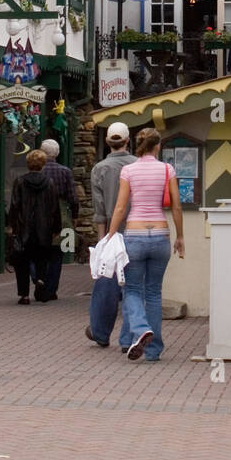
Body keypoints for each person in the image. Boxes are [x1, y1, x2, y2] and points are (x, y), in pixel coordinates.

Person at [108, 126, 184, 360]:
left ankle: (140, 330)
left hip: (135, 235)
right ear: (157, 145)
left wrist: (111, 235)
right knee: (154, 293)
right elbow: (176, 206)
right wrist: (180, 236)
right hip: (160, 235)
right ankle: (153, 350)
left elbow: (121, 207)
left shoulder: (128, 171)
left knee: (131, 289)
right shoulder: (167, 169)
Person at [86, 123, 136, 348]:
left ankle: (100, 331)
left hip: (111, 231)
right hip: (137, 229)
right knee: (134, 285)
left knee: (106, 281)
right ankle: (130, 335)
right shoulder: (137, 165)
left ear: (107, 142)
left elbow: (99, 210)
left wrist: (102, 240)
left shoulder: (99, 168)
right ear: (128, 140)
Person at [8, 149, 61, 304]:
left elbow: (15, 205)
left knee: (22, 263)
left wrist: (12, 225)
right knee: (42, 259)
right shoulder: (49, 183)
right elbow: (54, 207)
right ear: (43, 164)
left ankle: (24, 295)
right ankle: (41, 280)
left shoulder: (20, 181)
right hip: (44, 228)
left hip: (24, 228)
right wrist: (56, 228)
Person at [37, 138, 79, 300]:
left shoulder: (37, 170)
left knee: (39, 252)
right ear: (57, 153)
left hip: (40, 212)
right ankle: (51, 289)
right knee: (57, 254)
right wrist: (74, 216)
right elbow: (73, 198)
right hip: (61, 214)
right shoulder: (65, 171)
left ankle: (39, 279)